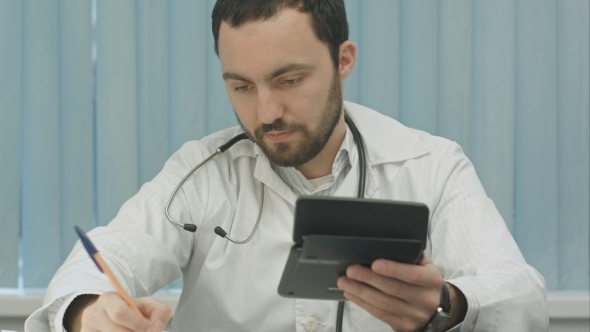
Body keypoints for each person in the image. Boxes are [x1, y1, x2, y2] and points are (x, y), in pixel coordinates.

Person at [26, 0, 548, 331]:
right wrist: (88, 312)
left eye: (289, 80)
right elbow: (105, 256)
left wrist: (449, 304)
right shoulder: (200, 172)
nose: (265, 112)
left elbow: (522, 298)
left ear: (343, 60)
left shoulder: (431, 164)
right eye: (242, 86)